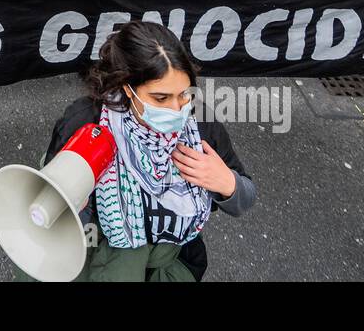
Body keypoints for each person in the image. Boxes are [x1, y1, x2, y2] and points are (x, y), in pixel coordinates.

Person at [41, 20, 255, 281]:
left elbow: (245, 198)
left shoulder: (201, 126)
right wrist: (74, 204)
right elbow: (50, 204)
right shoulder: (86, 122)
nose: (177, 109)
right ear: (127, 88)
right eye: (161, 98)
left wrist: (227, 183)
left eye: (185, 94)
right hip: (98, 261)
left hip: (173, 264)